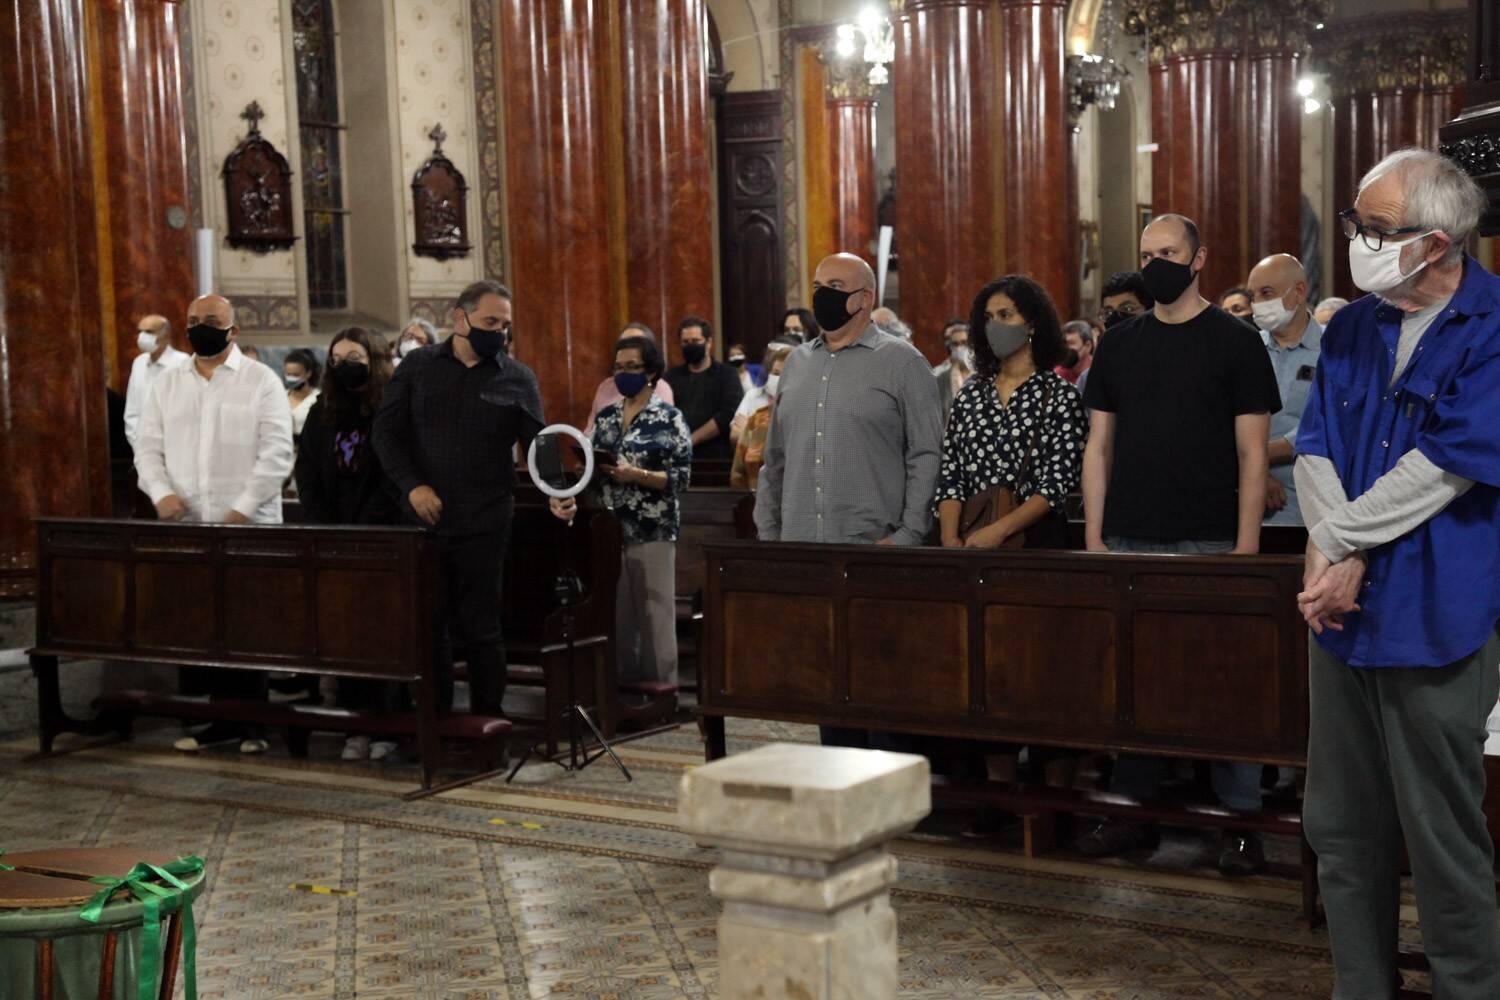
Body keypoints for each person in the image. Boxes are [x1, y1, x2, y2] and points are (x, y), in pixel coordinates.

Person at [1294, 148, 1500, 998]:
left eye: (1378, 231)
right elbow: (1312, 448)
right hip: (1339, 618)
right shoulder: (1351, 325)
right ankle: (1361, 988)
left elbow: (1443, 468)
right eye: (1357, 225)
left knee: (1442, 836)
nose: (1359, 243)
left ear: (1440, 243)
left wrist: (1340, 545)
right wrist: (1330, 552)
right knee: (1341, 827)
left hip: (1434, 614)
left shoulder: (1491, 329)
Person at [1079, 214, 1281, 874]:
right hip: (1130, 534)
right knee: (1133, 681)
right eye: (1146, 253)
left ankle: (1241, 821)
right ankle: (1132, 811)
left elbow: (1253, 455)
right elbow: (1098, 446)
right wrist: (1094, 535)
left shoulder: (1237, 341)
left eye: (1169, 252)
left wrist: (1246, 547)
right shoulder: (1119, 344)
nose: (1156, 262)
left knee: (1224, 683)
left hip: (1210, 536)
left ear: (1199, 259)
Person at [757, 251, 943, 749]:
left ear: (865, 298)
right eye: (817, 284)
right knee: (827, 686)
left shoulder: (903, 362)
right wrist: (771, 535)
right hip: (805, 551)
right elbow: (774, 458)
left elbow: (927, 453)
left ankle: (892, 800)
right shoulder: (797, 363)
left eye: (835, 285)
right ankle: (842, 796)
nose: (822, 295)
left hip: (873, 550)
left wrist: (907, 535)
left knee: (882, 687)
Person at [373, 280, 544, 718]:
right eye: (490, 322)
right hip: (423, 519)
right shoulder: (417, 368)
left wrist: (560, 492)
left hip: (486, 518)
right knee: (430, 627)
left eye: (505, 326)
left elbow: (539, 451)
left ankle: (488, 722)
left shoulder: (518, 378)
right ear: (460, 318)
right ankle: (434, 722)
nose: (498, 332)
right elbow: (386, 434)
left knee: (483, 627)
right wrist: (412, 485)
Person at [134, 293, 294, 754]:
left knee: (248, 625)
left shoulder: (260, 380)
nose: (200, 327)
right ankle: (206, 719)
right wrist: (161, 493)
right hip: (188, 524)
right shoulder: (168, 383)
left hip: (247, 526)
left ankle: (252, 725)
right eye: (193, 321)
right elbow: (147, 447)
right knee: (196, 623)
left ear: (233, 330)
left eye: (211, 321)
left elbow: (276, 453)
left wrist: (240, 510)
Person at [551, 335, 692, 689]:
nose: (623, 374)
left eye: (632, 367)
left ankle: (663, 693)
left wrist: (637, 475)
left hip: (653, 528)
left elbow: (681, 478)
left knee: (655, 617)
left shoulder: (669, 418)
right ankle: (625, 692)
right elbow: (592, 467)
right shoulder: (608, 416)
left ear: (651, 372)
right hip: (610, 529)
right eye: (618, 368)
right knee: (620, 616)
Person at [293, 327, 402, 760]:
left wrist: (364, 524)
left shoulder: (392, 407)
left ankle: (389, 725)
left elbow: (393, 471)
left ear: (374, 359)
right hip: (334, 536)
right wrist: (326, 523)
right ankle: (356, 724)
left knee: (383, 634)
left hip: (381, 536)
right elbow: (308, 472)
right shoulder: (324, 409)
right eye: (336, 359)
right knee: (348, 632)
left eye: (353, 357)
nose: (343, 366)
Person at [937, 275, 1085, 550]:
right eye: (988, 317)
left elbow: (1056, 482)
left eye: (1005, 315)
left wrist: (1000, 531)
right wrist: (949, 538)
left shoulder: (1060, 395)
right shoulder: (970, 394)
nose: (994, 326)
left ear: (1031, 324)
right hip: (970, 537)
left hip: (1036, 541)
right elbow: (951, 475)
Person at [1246, 253, 1322, 526]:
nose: (1257, 304)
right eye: (1252, 296)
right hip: (1247, 496)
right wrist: (1256, 472)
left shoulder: (1333, 351)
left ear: (1299, 291)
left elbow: (1324, 424)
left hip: (1310, 504)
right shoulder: (1245, 349)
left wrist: (1253, 456)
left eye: (1267, 293)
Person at [662, 316, 743, 461]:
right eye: (685, 342)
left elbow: (728, 414)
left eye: (695, 341)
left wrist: (691, 440)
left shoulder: (727, 374)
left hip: (716, 457)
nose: (690, 345)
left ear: (709, 342)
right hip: (678, 457)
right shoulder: (670, 378)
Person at [586, 323, 675, 432]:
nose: (627, 348)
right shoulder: (606, 388)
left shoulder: (663, 392)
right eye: (619, 366)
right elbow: (590, 432)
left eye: (631, 366)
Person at [731, 343, 794, 489]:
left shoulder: (810, 415)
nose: (777, 379)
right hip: (757, 496)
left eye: (783, 374)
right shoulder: (758, 417)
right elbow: (738, 473)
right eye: (775, 373)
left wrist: (752, 435)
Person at [123, 314, 188, 449]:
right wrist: (140, 447)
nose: (142, 336)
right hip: (143, 449)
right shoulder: (139, 363)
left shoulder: (182, 363)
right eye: (140, 331)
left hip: (175, 448)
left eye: (149, 332)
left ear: (165, 336)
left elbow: (186, 413)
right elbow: (132, 411)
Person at [730, 339, 797, 443]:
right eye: (775, 373)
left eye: (784, 374)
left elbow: (789, 443)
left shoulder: (803, 402)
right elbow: (734, 434)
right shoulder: (752, 395)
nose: (779, 378)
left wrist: (748, 432)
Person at [932, 319, 974, 416]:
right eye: (955, 344)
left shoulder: (985, 375)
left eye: (964, 343)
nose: (960, 348)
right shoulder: (941, 378)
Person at [284, 348, 322, 437]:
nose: (291, 378)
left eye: (296, 375)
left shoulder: (318, 399)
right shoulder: (280, 396)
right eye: (288, 374)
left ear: (308, 373)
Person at [1055, 320, 1094, 385]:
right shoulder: (1058, 373)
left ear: (1088, 346)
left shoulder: (1097, 372)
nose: (1066, 348)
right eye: (1064, 343)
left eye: (1071, 343)